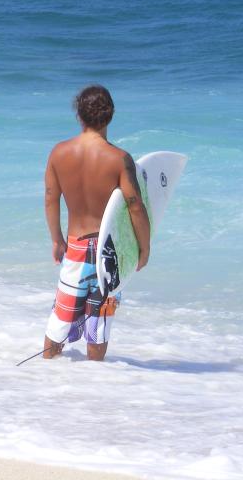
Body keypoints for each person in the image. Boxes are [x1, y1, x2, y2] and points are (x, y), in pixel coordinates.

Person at [42, 85, 151, 362]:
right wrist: (144, 247)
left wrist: (56, 240)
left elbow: (51, 198)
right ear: (110, 114)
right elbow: (135, 206)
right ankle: (95, 379)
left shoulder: (59, 153)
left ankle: (45, 372)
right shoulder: (119, 159)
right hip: (109, 252)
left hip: (76, 249)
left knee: (60, 320)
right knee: (99, 325)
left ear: (79, 115)